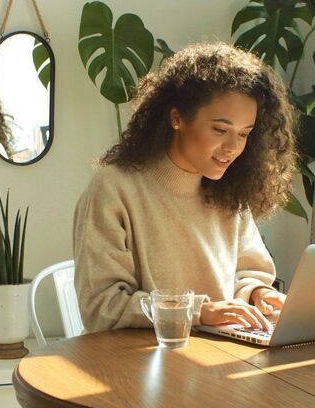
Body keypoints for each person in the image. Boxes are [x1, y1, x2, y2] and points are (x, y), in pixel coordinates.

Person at [73, 41, 298, 333]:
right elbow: (101, 307)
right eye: (220, 129)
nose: (232, 147)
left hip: (216, 358)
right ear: (177, 118)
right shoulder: (115, 189)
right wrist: (199, 312)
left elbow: (247, 271)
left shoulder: (229, 189)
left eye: (244, 134)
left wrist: (258, 294)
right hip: (137, 361)